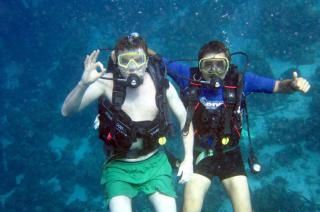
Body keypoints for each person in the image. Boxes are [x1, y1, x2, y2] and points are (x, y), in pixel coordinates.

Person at [161, 40, 310, 212]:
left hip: (230, 153)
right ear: (199, 67)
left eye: (220, 65)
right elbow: (157, 60)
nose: (214, 71)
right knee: (190, 208)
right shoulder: (188, 77)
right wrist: (134, 45)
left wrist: (292, 84)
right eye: (208, 65)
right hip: (199, 154)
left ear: (228, 65)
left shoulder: (241, 81)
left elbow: (277, 86)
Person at [61, 33, 194, 212]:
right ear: (117, 62)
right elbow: (66, 111)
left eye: (138, 60)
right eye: (125, 61)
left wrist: (188, 159)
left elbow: (185, 119)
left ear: (147, 61)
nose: (132, 68)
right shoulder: (105, 83)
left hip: (155, 162)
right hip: (119, 166)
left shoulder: (162, 86)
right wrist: (83, 84)